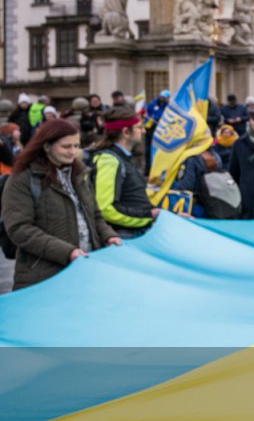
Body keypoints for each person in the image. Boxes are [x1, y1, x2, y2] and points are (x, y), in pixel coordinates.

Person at [1, 119, 121, 290]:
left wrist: (109, 236)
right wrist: (67, 252)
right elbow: (20, 229)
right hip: (44, 277)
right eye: (66, 147)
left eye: (76, 146)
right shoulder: (23, 178)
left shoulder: (80, 175)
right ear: (46, 146)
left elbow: (94, 216)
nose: (73, 152)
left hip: (86, 270)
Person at [91, 106, 158, 239]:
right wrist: (147, 216)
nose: (144, 131)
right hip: (124, 234)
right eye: (139, 127)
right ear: (126, 132)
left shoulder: (124, 157)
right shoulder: (108, 160)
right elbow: (105, 209)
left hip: (134, 231)